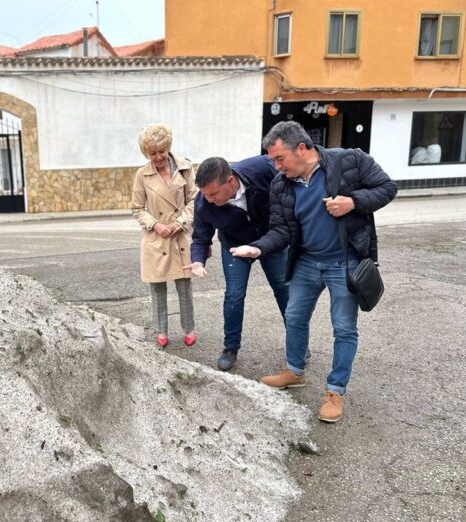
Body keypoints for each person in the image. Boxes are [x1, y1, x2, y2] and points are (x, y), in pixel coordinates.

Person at [230, 121, 397, 423]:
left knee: (344, 328)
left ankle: (335, 390)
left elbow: (388, 188)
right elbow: (280, 230)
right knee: (294, 316)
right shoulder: (281, 184)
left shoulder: (350, 161)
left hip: (344, 262)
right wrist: (257, 248)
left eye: (280, 159)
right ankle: (294, 371)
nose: (277, 167)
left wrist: (353, 202)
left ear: (303, 149)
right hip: (306, 261)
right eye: (273, 161)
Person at [184, 156, 288, 371]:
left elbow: (290, 178)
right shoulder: (204, 202)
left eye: (214, 193)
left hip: (271, 240)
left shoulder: (262, 170)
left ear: (230, 181)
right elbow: (201, 237)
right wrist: (197, 260)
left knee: (283, 289)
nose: (210, 199)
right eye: (205, 194)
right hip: (234, 245)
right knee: (234, 294)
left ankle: (297, 344)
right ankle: (230, 348)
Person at [131, 123, 197, 348]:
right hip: (156, 237)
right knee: (157, 287)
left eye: (162, 151)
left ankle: (189, 328)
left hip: (179, 235)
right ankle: (161, 330)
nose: (158, 157)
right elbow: (137, 208)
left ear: (169, 147)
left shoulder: (185, 168)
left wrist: (180, 223)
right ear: (146, 153)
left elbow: (194, 200)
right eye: (153, 153)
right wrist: (155, 225)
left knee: (184, 287)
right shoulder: (142, 175)